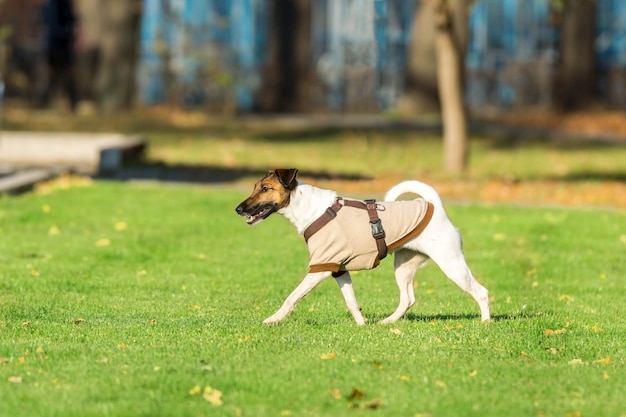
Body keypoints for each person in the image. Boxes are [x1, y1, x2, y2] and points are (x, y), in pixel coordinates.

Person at [38, 0, 77, 110]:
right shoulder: (56, 4)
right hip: (57, 46)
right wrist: (69, 32)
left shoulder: (61, 4)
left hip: (58, 45)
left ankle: (46, 103)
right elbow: (53, 26)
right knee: (57, 76)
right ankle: (44, 103)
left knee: (58, 77)